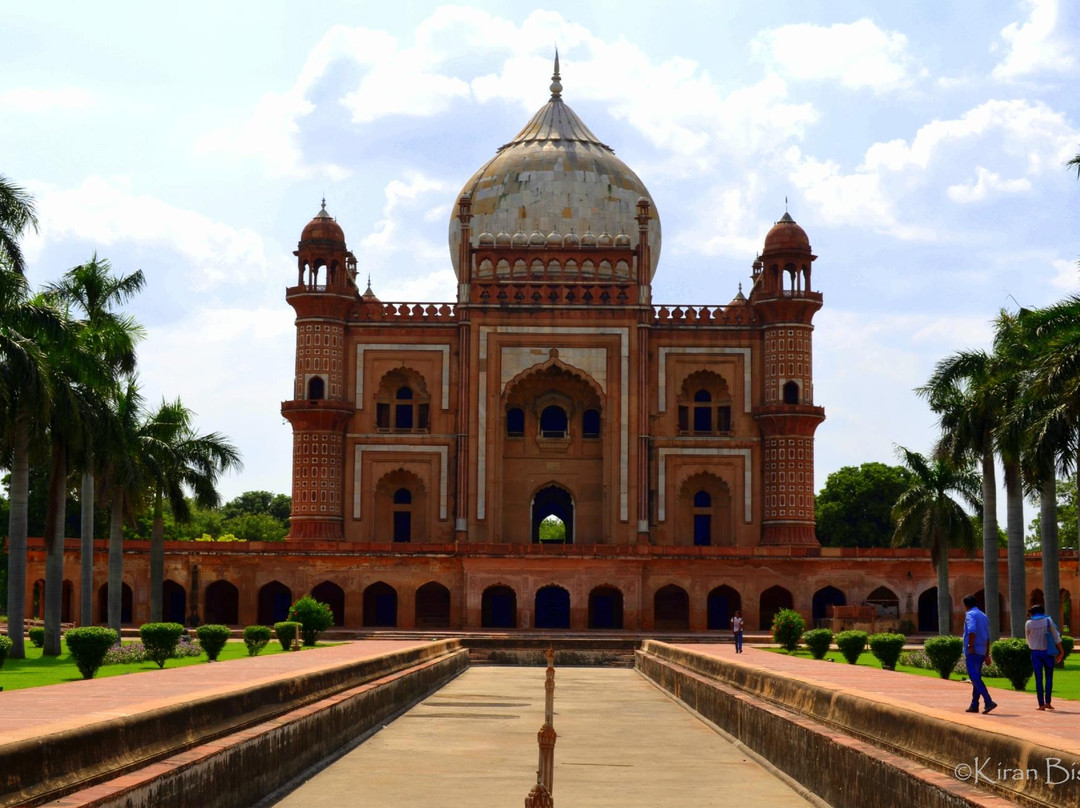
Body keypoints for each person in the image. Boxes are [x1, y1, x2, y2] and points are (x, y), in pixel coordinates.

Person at [1025, 604, 1065, 711]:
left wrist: (1034, 646)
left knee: (1038, 678)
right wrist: (1061, 651)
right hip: (1048, 653)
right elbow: (1056, 637)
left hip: (1036, 653)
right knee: (1049, 677)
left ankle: (1041, 704)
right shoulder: (1048, 621)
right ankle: (1048, 702)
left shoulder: (1028, 623)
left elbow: (1028, 639)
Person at [963, 595, 997, 714]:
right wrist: (987, 654)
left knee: (974, 677)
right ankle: (974, 704)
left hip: (973, 651)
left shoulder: (970, 614)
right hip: (982, 651)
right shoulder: (983, 615)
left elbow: (972, 630)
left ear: (966, 605)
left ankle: (988, 701)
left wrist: (970, 646)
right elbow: (988, 637)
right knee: (976, 678)